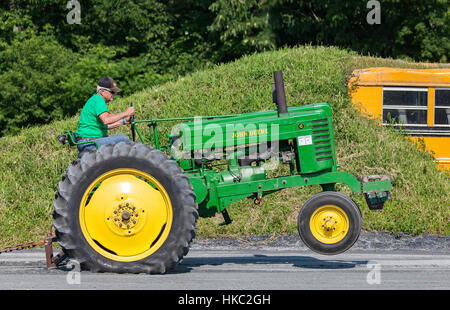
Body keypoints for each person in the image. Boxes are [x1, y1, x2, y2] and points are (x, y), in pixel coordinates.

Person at [75, 77, 135, 153]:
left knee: (121, 136)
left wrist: (123, 121)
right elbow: (106, 120)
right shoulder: (98, 100)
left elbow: (104, 126)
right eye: (112, 92)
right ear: (102, 91)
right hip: (90, 142)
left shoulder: (95, 99)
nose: (114, 95)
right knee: (124, 138)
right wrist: (126, 113)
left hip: (87, 140)